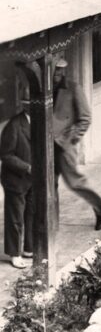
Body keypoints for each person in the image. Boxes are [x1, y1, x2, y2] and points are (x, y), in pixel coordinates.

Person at [53, 58, 101, 231]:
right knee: (48, 185)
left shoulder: (73, 89)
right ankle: (51, 221)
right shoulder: (41, 90)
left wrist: (72, 138)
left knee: (75, 182)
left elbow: (85, 118)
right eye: (55, 70)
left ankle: (100, 208)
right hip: (45, 145)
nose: (57, 74)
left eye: (60, 70)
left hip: (64, 145)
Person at [0, 89, 33, 268]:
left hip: (33, 179)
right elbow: (5, 154)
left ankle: (29, 248)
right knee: (15, 217)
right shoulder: (14, 125)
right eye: (30, 103)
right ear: (24, 105)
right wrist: (26, 167)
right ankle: (14, 253)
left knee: (31, 213)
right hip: (16, 179)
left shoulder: (40, 122)